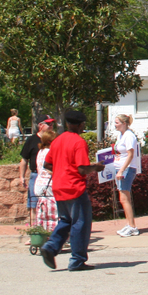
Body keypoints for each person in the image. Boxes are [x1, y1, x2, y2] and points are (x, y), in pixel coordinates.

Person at [40, 110, 105, 271]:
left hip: (59, 186)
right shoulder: (78, 142)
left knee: (65, 220)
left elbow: (47, 164)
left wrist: (62, 169)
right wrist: (96, 167)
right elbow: (82, 168)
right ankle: (77, 260)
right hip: (74, 187)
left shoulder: (57, 141)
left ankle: (51, 246)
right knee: (80, 223)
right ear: (80, 125)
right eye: (83, 124)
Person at [19, 117, 55, 229]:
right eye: (48, 124)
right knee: (34, 205)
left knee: (52, 205)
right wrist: (22, 176)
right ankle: (35, 232)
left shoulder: (54, 140)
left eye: (52, 124)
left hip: (51, 178)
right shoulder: (32, 140)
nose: (51, 126)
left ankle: (50, 229)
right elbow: (24, 159)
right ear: (40, 125)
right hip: (36, 176)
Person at [33, 128, 58, 232]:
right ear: (49, 141)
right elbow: (51, 169)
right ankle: (54, 233)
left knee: (43, 211)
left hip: (39, 183)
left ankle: (41, 230)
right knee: (54, 212)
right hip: (49, 184)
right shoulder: (50, 152)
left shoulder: (40, 152)